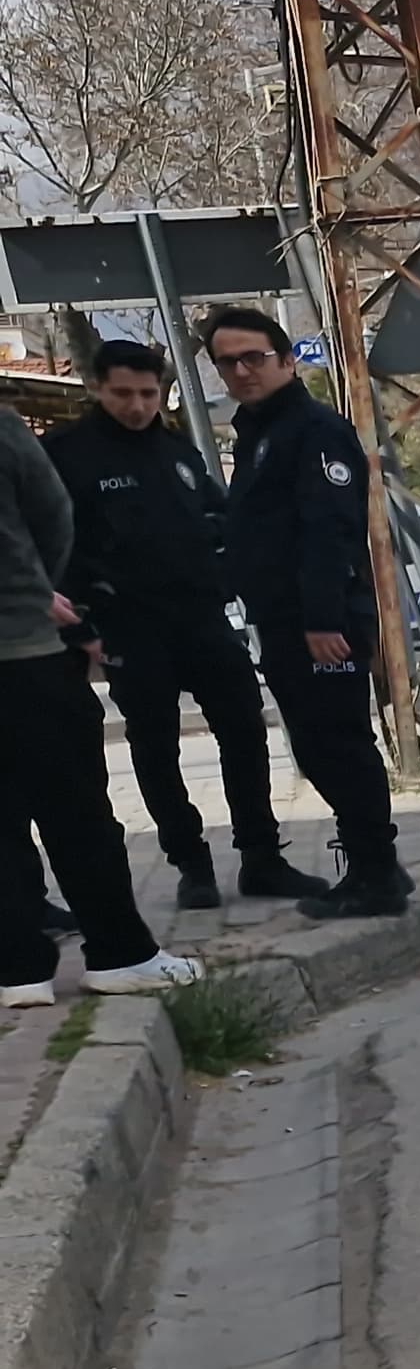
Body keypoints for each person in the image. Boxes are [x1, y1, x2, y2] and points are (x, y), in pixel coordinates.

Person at [45, 342, 328, 910]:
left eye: (147, 394)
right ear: (97, 388)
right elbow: (52, 546)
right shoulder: (65, 454)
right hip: (127, 625)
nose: (136, 406)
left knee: (245, 729)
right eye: (123, 393)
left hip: (201, 618)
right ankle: (191, 864)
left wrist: (226, 574)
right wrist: (83, 627)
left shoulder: (176, 450)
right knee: (155, 745)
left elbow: (218, 518)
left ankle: (262, 857)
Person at [202, 305, 407, 919]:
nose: (242, 371)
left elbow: (328, 529)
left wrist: (322, 618)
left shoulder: (313, 431)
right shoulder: (260, 433)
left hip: (320, 621)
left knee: (336, 747)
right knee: (318, 747)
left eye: (254, 357)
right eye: (227, 362)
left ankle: (374, 876)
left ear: (288, 361)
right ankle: (378, 864)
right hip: (283, 619)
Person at [0, 411, 202, 1008]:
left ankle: (18, 968)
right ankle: (120, 953)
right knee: (77, 810)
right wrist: (33, 589)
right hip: (24, 649)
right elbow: (53, 515)